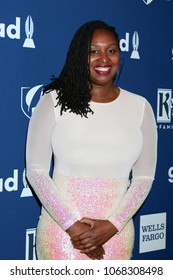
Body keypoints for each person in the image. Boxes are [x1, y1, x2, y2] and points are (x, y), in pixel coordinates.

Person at [26, 20, 157, 260]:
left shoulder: (140, 107)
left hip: (116, 236)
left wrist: (113, 225)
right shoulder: (53, 101)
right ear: (79, 56)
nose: (104, 59)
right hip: (61, 235)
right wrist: (73, 227)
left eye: (112, 50)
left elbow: (144, 177)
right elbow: (36, 172)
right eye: (93, 51)